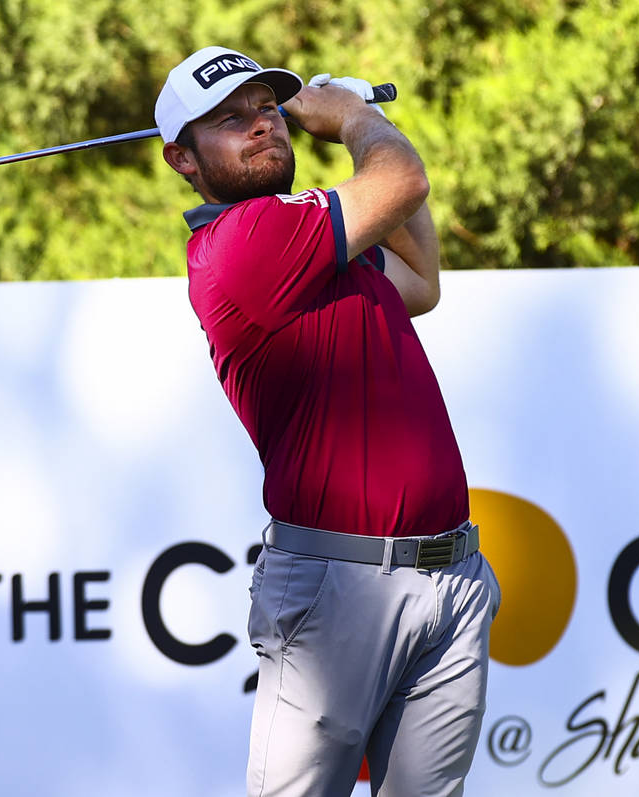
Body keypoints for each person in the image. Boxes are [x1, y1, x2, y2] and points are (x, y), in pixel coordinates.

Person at [155, 46, 501, 797]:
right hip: (340, 585)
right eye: (228, 119)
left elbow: (420, 280)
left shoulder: (312, 244)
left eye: (267, 109)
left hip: (452, 573)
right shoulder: (245, 244)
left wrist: (364, 132)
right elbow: (402, 178)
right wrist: (353, 116)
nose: (260, 126)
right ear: (182, 158)